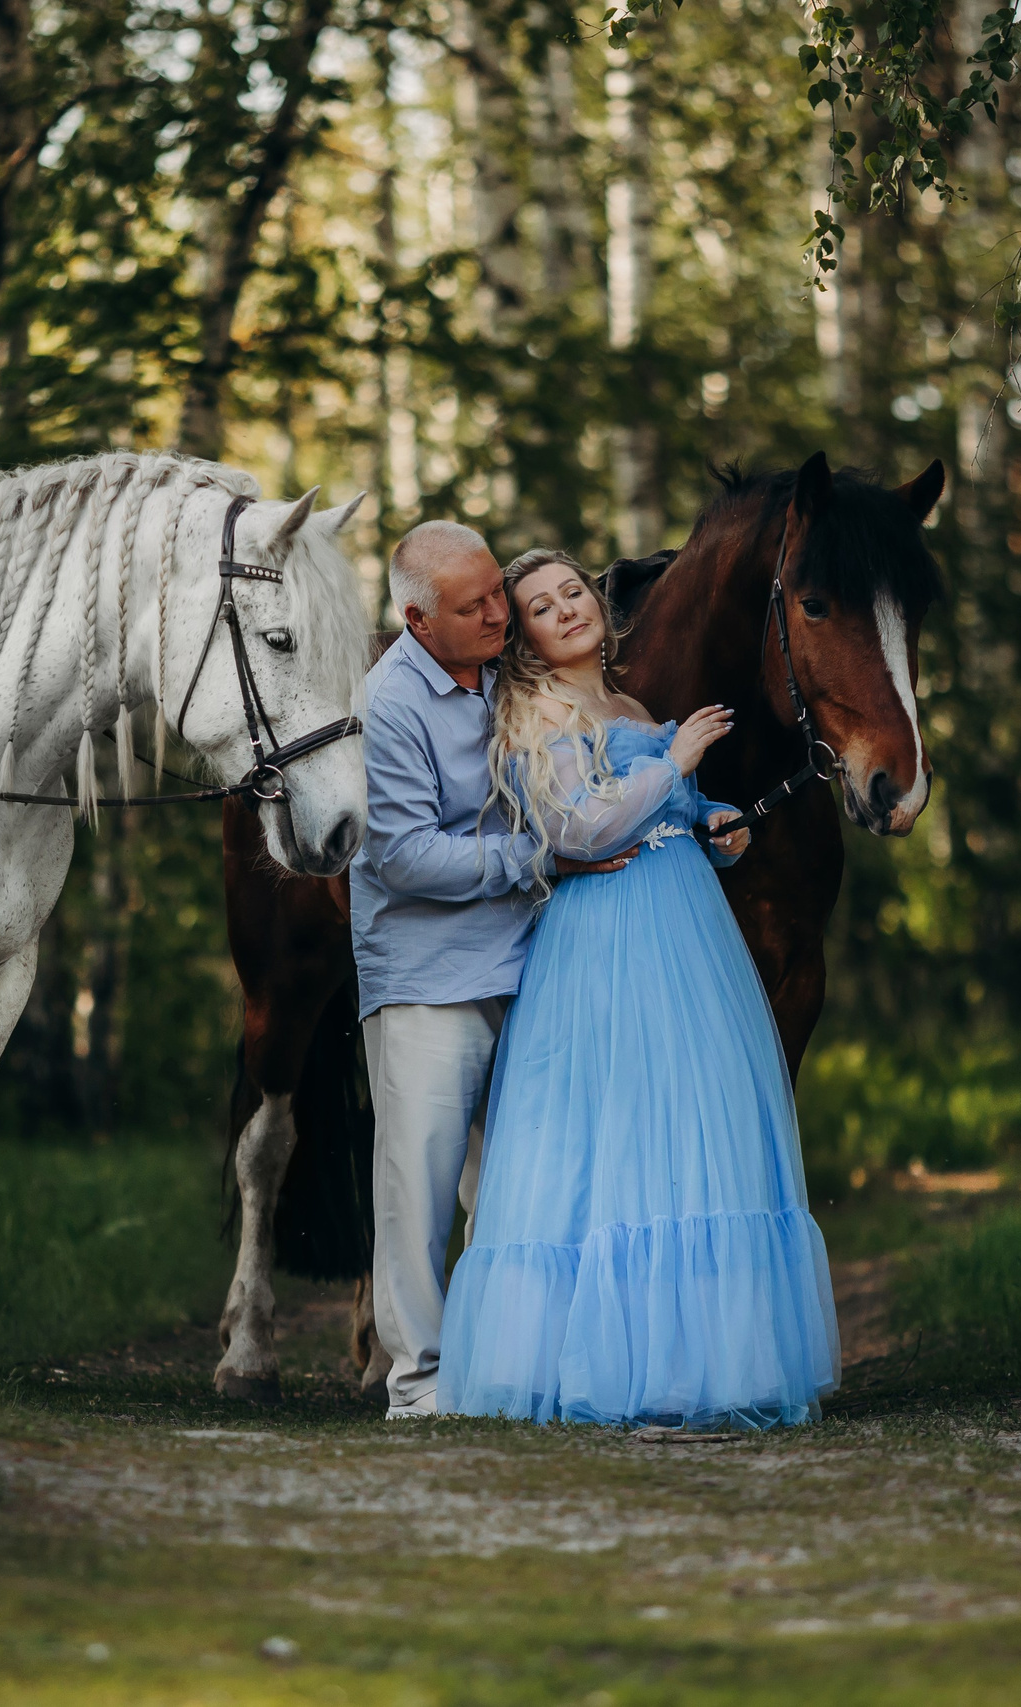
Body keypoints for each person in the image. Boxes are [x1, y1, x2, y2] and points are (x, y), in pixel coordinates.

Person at [437, 548, 842, 1430]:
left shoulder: (626, 706)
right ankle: (606, 1366)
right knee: (611, 1128)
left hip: (682, 921)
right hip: (601, 936)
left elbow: (656, 809)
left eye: (573, 591)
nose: (567, 609)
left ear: (597, 600)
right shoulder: (531, 708)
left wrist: (710, 820)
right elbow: (576, 826)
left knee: (690, 1116)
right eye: (541, 606)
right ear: (527, 638)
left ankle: (694, 1360)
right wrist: (679, 760)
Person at [351, 522, 629, 1420]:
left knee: (521, 1181)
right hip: (427, 979)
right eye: (472, 607)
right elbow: (401, 857)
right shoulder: (389, 702)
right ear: (417, 620)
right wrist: (536, 857)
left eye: (496, 595)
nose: (496, 615)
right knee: (419, 1188)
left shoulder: (509, 673)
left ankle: (513, 1366)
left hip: (533, 963)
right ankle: (421, 1383)